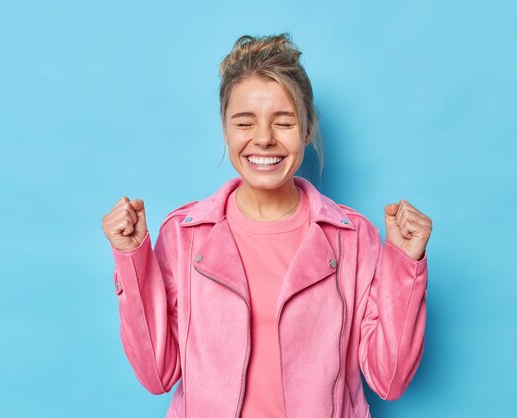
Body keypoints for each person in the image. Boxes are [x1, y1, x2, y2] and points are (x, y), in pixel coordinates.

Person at [101, 33, 432, 418]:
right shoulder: (184, 235)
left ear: (307, 130)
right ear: (225, 132)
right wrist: (132, 260)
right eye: (244, 123)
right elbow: (157, 374)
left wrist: (405, 265)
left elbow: (389, 380)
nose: (263, 139)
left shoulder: (352, 237)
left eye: (284, 122)